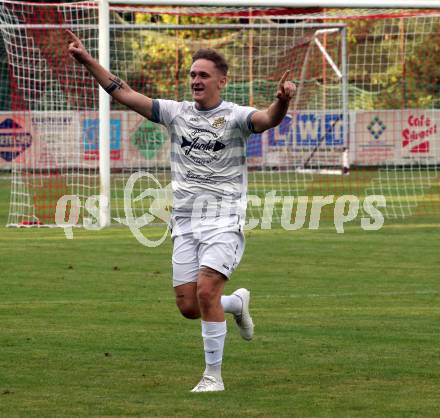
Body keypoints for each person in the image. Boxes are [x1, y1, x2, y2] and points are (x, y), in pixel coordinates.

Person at [67, 30, 295, 392]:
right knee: (189, 305)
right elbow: (123, 92)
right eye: (192, 75)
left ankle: (213, 378)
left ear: (222, 81)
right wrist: (88, 61)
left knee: (206, 293)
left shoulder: (236, 117)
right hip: (185, 223)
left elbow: (268, 119)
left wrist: (282, 102)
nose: (195, 81)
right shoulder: (177, 113)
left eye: (203, 75)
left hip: (223, 220)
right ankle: (237, 303)